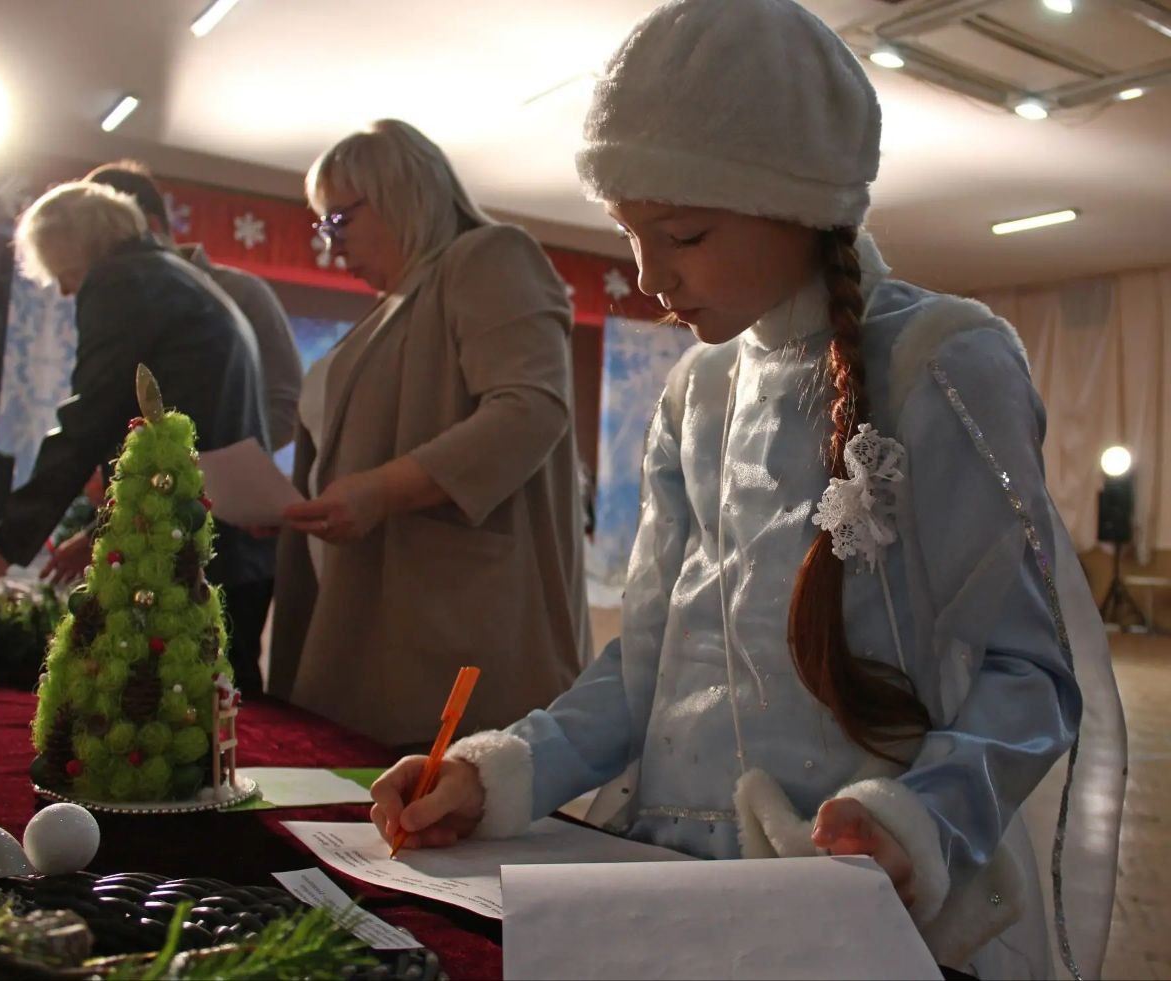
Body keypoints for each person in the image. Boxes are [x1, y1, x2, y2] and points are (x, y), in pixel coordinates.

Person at [366, 3, 1124, 978]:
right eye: (629, 234)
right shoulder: (696, 393)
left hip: (843, 898)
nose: (646, 277)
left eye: (681, 233)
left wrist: (916, 817)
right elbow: (645, 666)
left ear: (800, 204)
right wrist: (500, 769)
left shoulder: (940, 361)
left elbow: (1029, 673)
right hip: (666, 878)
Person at [269, 119, 591, 749]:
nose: (330, 246)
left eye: (338, 221)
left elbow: (529, 409)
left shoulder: (491, 255)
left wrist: (377, 492)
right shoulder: (394, 307)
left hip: (449, 627)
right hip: (373, 613)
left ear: (397, 193)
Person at [0, 181, 276, 695]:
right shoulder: (176, 279)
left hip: (189, 550)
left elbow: (89, 419)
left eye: (63, 272)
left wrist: (2, 546)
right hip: (232, 545)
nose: (63, 291)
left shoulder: (124, 280)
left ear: (78, 246)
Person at [84, 160, 302, 453]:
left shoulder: (241, 293)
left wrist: (203, 464)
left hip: (221, 490)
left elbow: (286, 407)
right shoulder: (119, 308)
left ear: (151, 228)